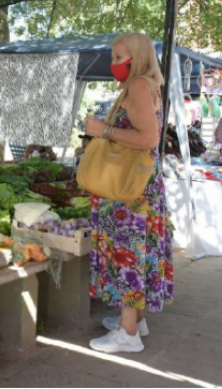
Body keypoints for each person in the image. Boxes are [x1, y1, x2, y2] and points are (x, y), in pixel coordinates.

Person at [84, 33, 173, 353]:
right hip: (141, 185)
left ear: (138, 57)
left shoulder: (137, 85)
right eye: (113, 57)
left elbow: (148, 138)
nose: (114, 64)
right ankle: (134, 318)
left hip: (129, 193)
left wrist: (102, 130)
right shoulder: (149, 85)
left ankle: (128, 334)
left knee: (127, 253)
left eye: (120, 57)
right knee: (138, 251)